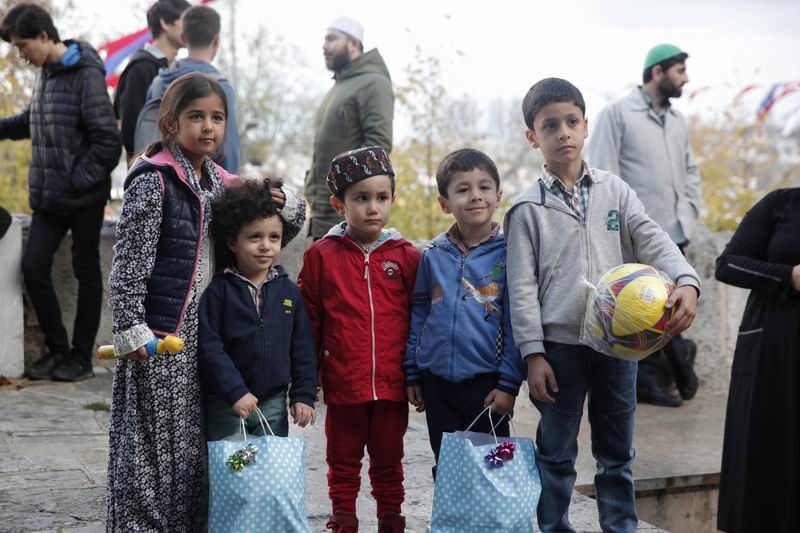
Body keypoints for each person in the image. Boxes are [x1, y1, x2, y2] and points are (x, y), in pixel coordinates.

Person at [105, 72, 303, 531]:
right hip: (160, 341)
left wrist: (282, 196)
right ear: (171, 123)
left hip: (208, 336)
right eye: (196, 116)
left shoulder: (219, 182)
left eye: (217, 117)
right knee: (153, 450)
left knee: (197, 448)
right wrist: (133, 331)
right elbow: (128, 266)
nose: (208, 127)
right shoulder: (153, 180)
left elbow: (280, 224)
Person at [505, 78, 700, 533]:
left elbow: (653, 239)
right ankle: (554, 527)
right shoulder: (527, 208)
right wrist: (533, 354)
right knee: (556, 452)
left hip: (620, 347)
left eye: (571, 121)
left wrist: (687, 281)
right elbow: (521, 288)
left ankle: (620, 527)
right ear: (532, 137)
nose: (563, 133)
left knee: (617, 454)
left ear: (586, 125)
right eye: (550, 125)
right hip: (559, 351)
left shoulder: (616, 191)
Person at [298, 146, 419, 533]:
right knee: (343, 459)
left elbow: (419, 321)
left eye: (381, 197)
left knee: (389, 459)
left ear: (392, 199)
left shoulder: (407, 257)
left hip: (391, 385)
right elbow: (308, 322)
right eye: (361, 198)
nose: (373, 208)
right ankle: (344, 519)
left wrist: (415, 374)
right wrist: (307, 381)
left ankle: (391, 518)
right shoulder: (321, 256)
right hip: (343, 384)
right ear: (339, 204)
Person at [0, 3, 122, 382]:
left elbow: (108, 143)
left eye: (23, 46)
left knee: (87, 270)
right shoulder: (46, 75)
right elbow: (31, 121)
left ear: (43, 36)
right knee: (33, 266)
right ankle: (57, 350)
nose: (22, 56)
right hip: (50, 198)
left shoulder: (86, 75)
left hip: (83, 197)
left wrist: (74, 180)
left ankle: (81, 358)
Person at [586, 44, 702, 407]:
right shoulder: (617, 113)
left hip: (674, 230)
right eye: (680, 71)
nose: (685, 78)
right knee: (643, 307)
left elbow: (690, 169)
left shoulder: (678, 120)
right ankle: (663, 373)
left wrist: (691, 210)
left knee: (667, 304)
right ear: (657, 72)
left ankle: (672, 366)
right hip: (635, 234)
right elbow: (601, 171)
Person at [404, 148, 526, 478]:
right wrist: (413, 370)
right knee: (448, 466)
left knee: (491, 469)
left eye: (484, 187)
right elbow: (419, 313)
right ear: (445, 203)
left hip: (487, 384)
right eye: (463, 189)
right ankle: (450, 510)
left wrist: (509, 384)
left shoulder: (510, 253)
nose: (475, 196)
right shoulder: (432, 254)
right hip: (436, 383)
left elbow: (516, 322)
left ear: (498, 196)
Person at [199, 177, 315, 441]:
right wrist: (235, 391)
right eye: (254, 237)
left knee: (271, 464)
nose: (266, 246)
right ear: (233, 242)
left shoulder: (288, 292)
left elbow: (303, 348)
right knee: (232, 464)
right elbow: (209, 347)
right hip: (228, 404)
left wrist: (303, 394)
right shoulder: (219, 291)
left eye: (274, 237)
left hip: (273, 402)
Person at [715, 188, 800, 533]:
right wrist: (788, 276)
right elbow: (728, 264)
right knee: (765, 449)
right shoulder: (780, 204)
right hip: (772, 353)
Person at [305, 16, 394, 239]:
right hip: (324, 212)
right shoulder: (339, 86)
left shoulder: (373, 82)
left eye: (331, 39)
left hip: (348, 218)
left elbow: (378, 146)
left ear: (353, 43)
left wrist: (351, 198)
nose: (324, 46)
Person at [146, 4, 240, 172]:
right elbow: (228, 154)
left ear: (183, 38)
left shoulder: (158, 83)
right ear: (216, 40)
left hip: (156, 173)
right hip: (202, 184)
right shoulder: (221, 88)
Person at [114, 0, 190, 162]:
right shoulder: (140, 68)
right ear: (165, 23)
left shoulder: (176, 69)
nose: (192, 27)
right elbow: (131, 130)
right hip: (151, 168)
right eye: (186, 21)